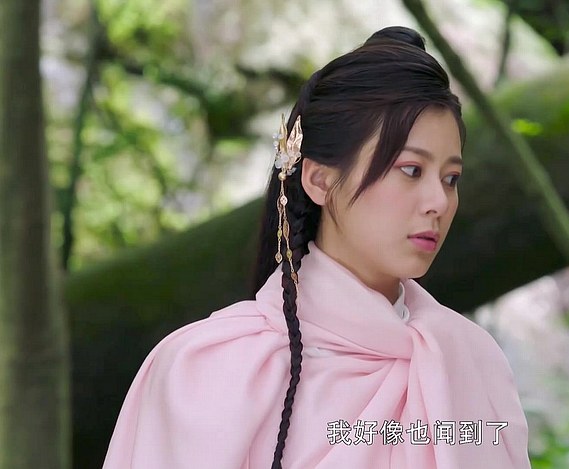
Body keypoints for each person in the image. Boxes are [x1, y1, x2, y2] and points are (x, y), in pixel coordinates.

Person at [102, 26, 530, 469]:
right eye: (410, 170)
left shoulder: (471, 362)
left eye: (451, 178)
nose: (438, 202)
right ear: (320, 180)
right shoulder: (209, 368)